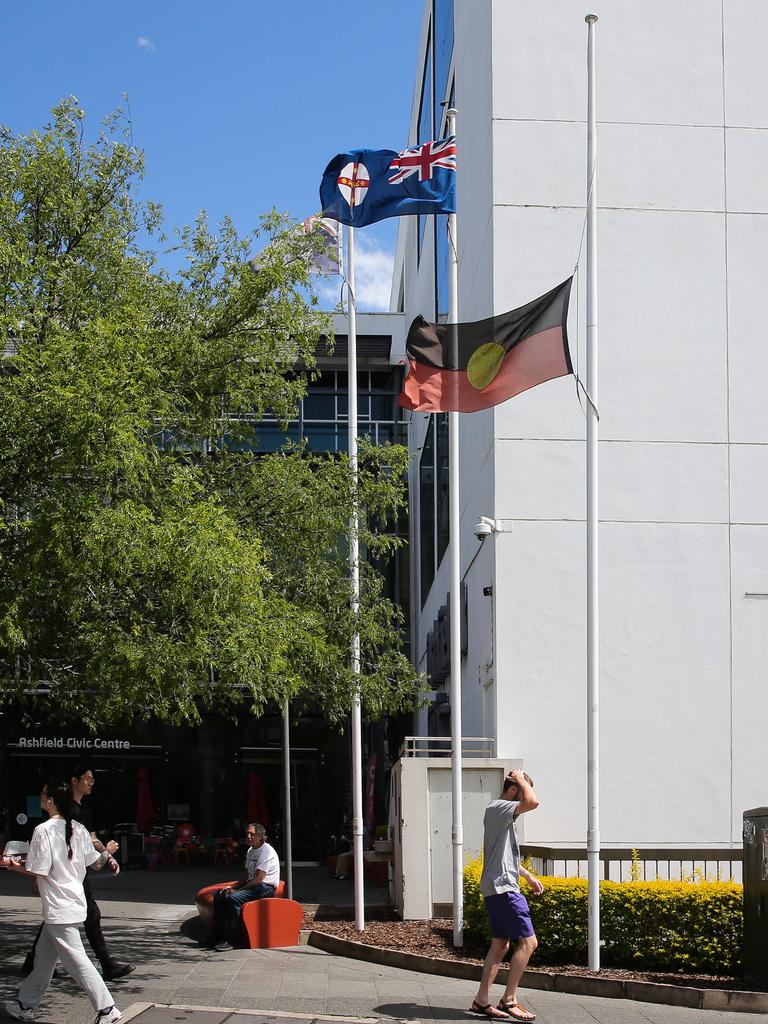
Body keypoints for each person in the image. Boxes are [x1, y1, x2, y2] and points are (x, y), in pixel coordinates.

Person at [1, 778, 123, 1024]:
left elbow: (39, 869)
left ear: (50, 801)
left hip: (58, 908)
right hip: (72, 904)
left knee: (77, 961)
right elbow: (96, 863)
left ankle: (108, 1010)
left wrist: (13, 866)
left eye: (43, 793)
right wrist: (108, 851)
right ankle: (26, 1004)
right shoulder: (77, 827)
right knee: (44, 960)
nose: (41, 796)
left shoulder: (43, 830)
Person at [22, 764, 134, 982]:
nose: (91, 783)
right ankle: (104, 976)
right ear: (74, 781)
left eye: (92, 779)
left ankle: (32, 964)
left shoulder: (80, 811)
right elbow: (82, 844)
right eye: (87, 779)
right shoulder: (61, 816)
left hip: (70, 875)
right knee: (86, 919)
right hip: (68, 876)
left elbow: (90, 839)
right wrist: (106, 854)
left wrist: (107, 855)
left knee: (56, 920)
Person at [470, 770, 543, 1023]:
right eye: (521, 791)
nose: (523, 800)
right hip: (504, 889)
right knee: (529, 943)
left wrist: (527, 876)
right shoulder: (501, 807)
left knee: (501, 944)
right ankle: (509, 1000)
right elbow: (533, 802)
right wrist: (521, 779)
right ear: (513, 790)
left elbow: (500, 856)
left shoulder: (496, 813)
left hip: (498, 886)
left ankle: (481, 1000)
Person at [205, 822, 280, 949]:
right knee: (219, 895)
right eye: (248, 834)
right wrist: (231, 888)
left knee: (233, 899)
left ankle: (233, 940)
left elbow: (258, 879)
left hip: (265, 887)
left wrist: (236, 891)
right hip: (255, 885)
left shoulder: (266, 851)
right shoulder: (251, 850)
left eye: (252, 834)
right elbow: (247, 876)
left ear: (261, 836)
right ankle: (216, 937)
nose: (249, 837)